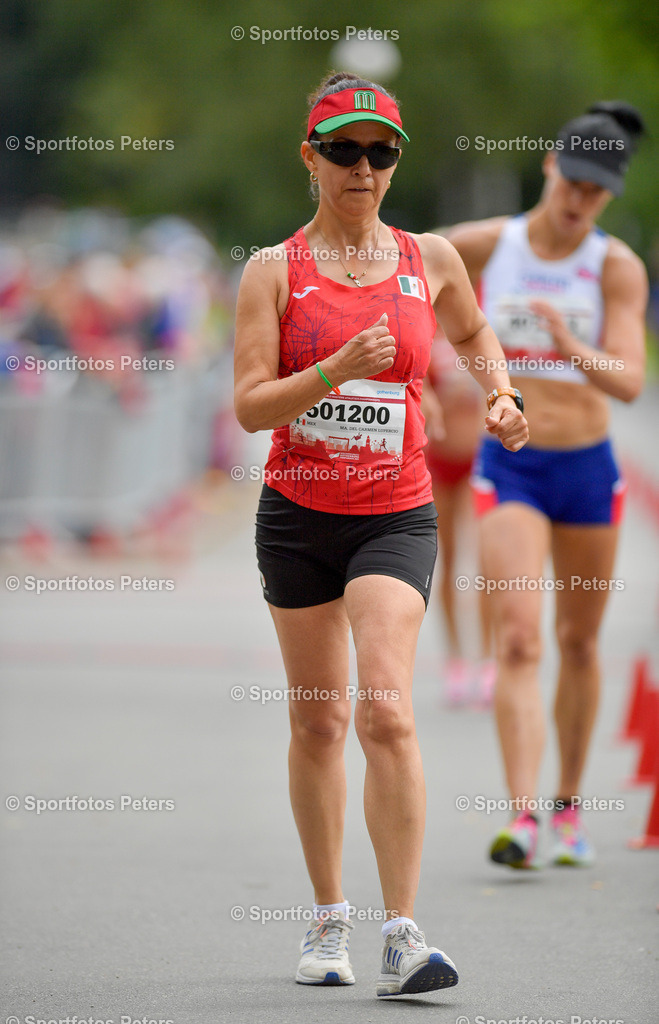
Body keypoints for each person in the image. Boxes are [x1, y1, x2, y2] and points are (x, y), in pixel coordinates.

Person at [233, 71, 528, 996]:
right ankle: (328, 920)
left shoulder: (427, 257)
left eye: (381, 151)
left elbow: (475, 332)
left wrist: (500, 392)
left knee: (386, 711)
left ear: (395, 162)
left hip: (393, 513)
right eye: (345, 150)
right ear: (310, 157)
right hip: (297, 515)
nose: (363, 168)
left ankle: (402, 931)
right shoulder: (272, 270)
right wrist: (329, 372)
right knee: (318, 720)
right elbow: (247, 407)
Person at [446, 102, 648, 869]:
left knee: (578, 641)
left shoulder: (613, 266)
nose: (577, 201)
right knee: (522, 637)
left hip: (587, 467)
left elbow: (628, 380)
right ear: (548, 167)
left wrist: (570, 344)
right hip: (511, 465)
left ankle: (567, 807)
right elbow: (404, 274)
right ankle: (522, 815)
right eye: (571, 182)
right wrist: (430, 365)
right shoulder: (483, 245)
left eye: (595, 192)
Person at [421, 328, 495, 707]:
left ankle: (486, 660)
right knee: (446, 559)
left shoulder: (481, 329)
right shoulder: (426, 330)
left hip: (477, 458)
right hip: (438, 460)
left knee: (484, 560)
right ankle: (455, 661)